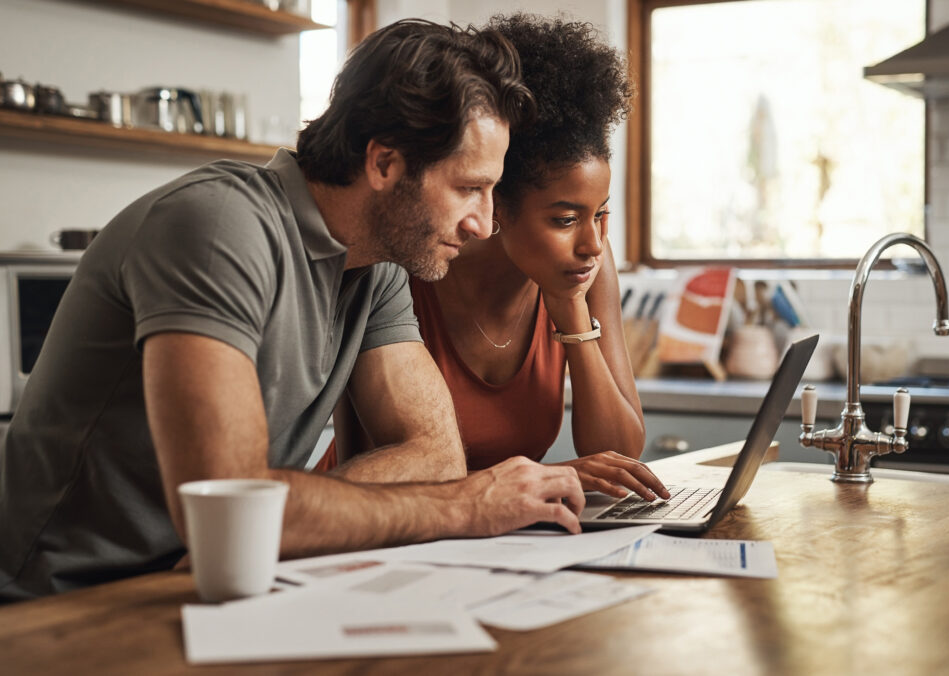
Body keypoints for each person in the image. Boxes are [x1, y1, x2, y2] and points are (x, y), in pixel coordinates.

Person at [0, 19, 586, 603]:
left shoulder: (378, 264)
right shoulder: (218, 228)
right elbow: (230, 506)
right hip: (64, 604)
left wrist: (281, 517)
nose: (483, 223)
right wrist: (465, 507)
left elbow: (435, 455)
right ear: (384, 164)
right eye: (467, 188)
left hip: (219, 583)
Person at [320, 14, 670, 503]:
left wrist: (570, 310)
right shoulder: (411, 260)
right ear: (496, 202)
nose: (592, 243)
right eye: (565, 219)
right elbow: (383, 461)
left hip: (499, 530)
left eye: (602, 215)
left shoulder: (584, 268)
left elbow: (621, 454)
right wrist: (550, 476)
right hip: (377, 520)